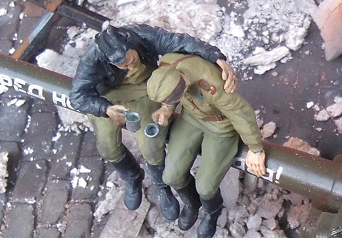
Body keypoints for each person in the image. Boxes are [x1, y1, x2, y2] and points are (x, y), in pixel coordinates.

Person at [69, 23, 239, 220]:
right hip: (109, 98)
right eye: (123, 66)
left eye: (132, 60)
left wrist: (216, 57)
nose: (130, 66)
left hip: (144, 91)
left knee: (151, 144)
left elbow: (180, 42)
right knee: (107, 147)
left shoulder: (141, 36)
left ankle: (161, 186)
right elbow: (77, 96)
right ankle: (132, 177)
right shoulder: (93, 60)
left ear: (131, 46)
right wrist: (104, 108)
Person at [146, 53, 268, 238]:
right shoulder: (167, 65)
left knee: (205, 186)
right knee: (170, 175)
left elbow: (241, 113)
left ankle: (213, 211)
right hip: (190, 118)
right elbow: (170, 94)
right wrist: (166, 108)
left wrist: (255, 148)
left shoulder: (212, 84)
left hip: (220, 127)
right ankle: (192, 204)